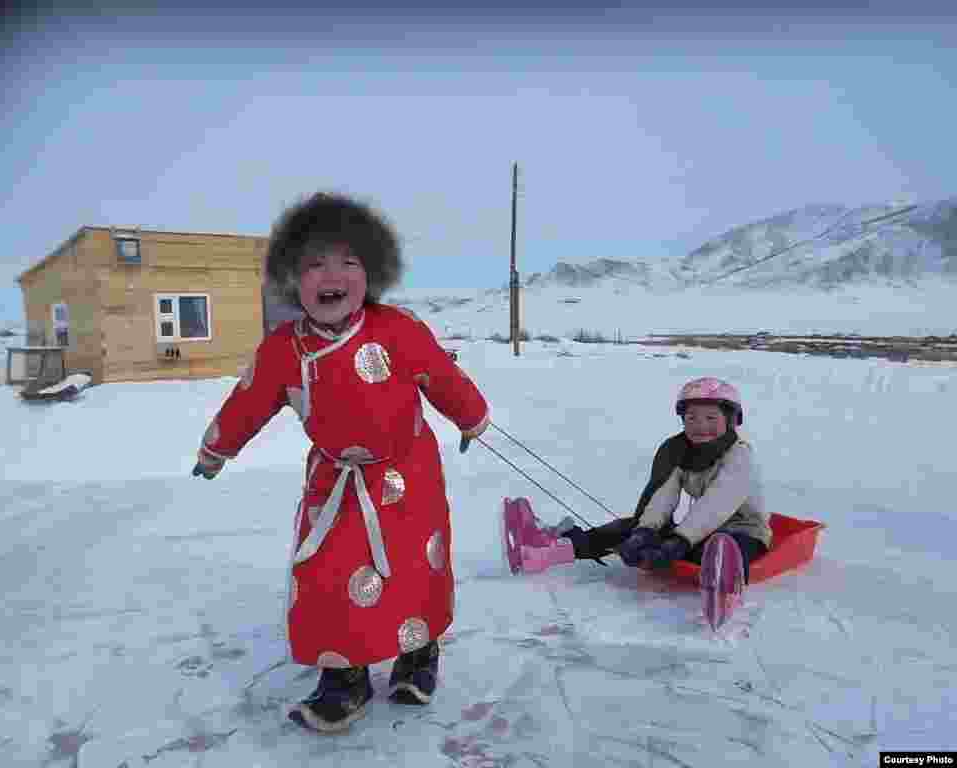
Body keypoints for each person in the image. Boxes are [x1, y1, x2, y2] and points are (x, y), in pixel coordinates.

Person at [192, 192, 490, 732]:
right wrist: (217, 449)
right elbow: (248, 401)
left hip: (408, 472)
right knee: (328, 573)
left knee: (413, 568)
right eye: (314, 264)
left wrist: (472, 417)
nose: (331, 275)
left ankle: (418, 655)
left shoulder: (398, 329)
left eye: (347, 262)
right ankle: (343, 676)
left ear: (371, 272)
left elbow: (443, 378)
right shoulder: (283, 349)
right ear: (292, 278)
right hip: (335, 481)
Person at [514, 377, 771, 583]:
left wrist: (680, 540)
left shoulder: (740, 456)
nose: (700, 425)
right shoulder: (680, 452)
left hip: (744, 532)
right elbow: (663, 496)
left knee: (719, 549)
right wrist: (644, 532)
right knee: (630, 528)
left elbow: (718, 502)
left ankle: (723, 588)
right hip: (699, 531)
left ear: (731, 421)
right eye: (692, 418)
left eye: (711, 418)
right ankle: (550, 551)